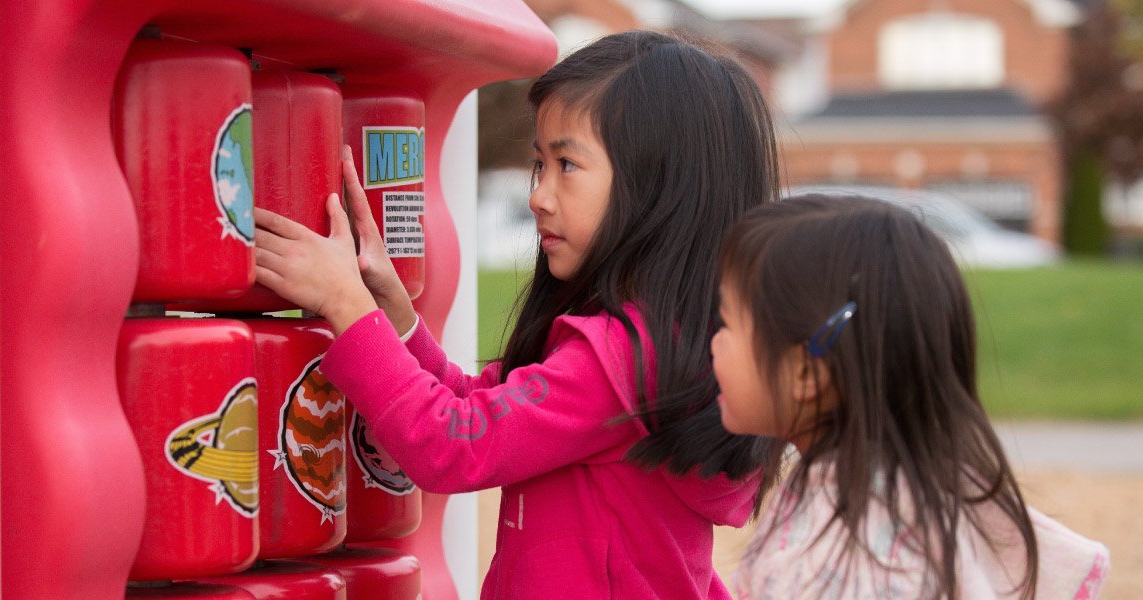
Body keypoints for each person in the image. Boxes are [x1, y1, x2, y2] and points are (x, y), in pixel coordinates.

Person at [253, 31, 784, 599]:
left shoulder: (620, 362)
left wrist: (347, 307)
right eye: (540, 165)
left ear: (660, 188)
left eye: (567, 164)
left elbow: (452, 445)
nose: (539, 195)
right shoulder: (646, 347)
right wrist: (396, 319)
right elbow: (471, 408)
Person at [712, 194, 1111, 599]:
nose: (714, 342)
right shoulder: (919, 489)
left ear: (806, 371)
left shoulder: (845, 559)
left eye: (725, 322)